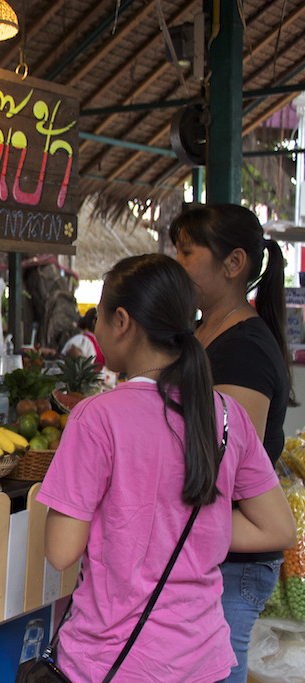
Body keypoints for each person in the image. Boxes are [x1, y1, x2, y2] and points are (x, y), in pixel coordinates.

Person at [37, 254, 295, 682]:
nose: (95, 328)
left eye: (98, 316)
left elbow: (61, 551)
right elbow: (278, 529)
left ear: (122, 321)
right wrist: (184, 525)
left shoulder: (97, 417)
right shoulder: (228, 416)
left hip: (112, 661)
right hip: (202, 660)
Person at [170, 203, 293, 682]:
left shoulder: (244, 350)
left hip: (233, 557)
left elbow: (223, 463)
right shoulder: (200, 332)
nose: (175, 264)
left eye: (186, 252)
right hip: (204, 544)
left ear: (233, 263)